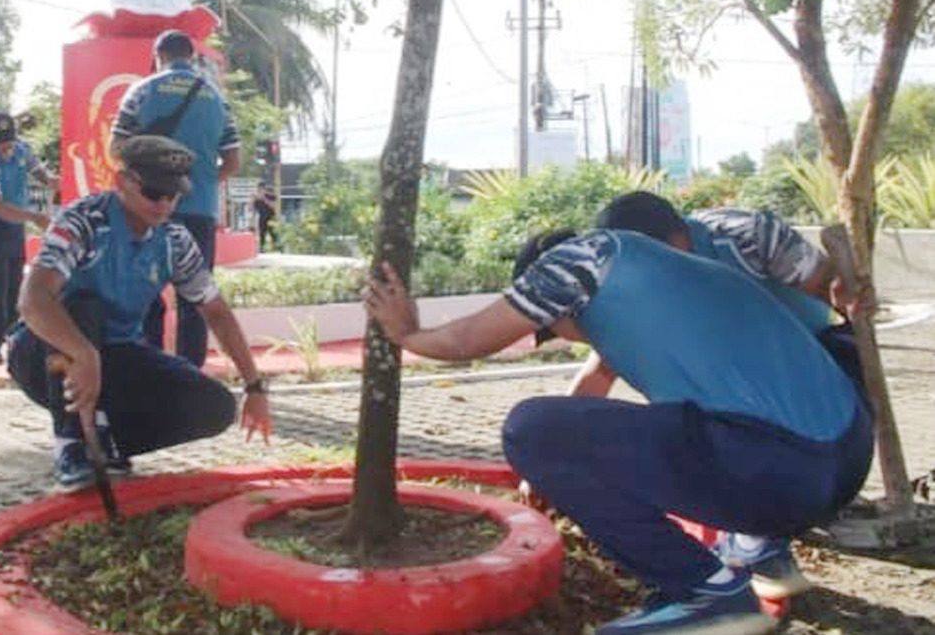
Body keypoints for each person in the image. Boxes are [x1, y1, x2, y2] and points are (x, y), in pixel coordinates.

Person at [365, 229, 872, 635]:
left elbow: (467, 340)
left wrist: (407, 334)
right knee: (699, 423)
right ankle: (760, 549)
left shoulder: (578, 261)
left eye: (549, 328)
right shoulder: (668, 275)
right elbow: (593, 389)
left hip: (778, 468)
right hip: (846, 459)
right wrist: (556, 472)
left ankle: (709, 594)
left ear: (551, 303)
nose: (567, 338)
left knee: (529, 428)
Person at [590, 191, 869, 601]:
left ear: (678, 237)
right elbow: (601, 367)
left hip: (818, 357)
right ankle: (767, 525)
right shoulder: (635, 282)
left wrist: (851, 303)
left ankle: (770, 524)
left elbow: (834, 291)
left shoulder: (748, 236)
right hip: (741, 384)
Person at [8, 135, 271, 491]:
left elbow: (217, 313)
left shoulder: (174, 240)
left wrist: (254, 385)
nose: (163, 204)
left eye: (173, 195)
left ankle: (108, 444)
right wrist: (84, 353)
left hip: (116, 358)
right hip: (44, 355)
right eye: (153, 193)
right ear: (122, 181)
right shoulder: (84, 221)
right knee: (83, 306)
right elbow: (33, 299)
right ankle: (73, 445)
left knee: (214, 406)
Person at [109, 29, 241, 367]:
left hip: (147, 209)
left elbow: (116, 149)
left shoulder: (141, 90)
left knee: (144, 294)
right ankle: (189, 375)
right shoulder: (217, 98)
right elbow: (233, 161)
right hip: (200, 210)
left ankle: (147, 369)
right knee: (196, 300)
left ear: (159, 56)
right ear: (191, 57)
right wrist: (201, 183)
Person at [0, 111, 57, 366]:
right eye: (1, 143)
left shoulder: (23, 149)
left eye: (10, 140)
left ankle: (14, 339)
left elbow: (39, 171)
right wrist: (33, 217)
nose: (7, 147)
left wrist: (53, 181)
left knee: (15, 281)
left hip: (15, 223)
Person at [252, 180, 279, 252]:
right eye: (258, 188)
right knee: (262, 233)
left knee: (273, 233)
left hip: (270, 217)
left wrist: (264, 198)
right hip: (262, 217)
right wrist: (252, 199)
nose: (260, 190)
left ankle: (277, 247)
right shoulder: (257, 198)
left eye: (261, 188)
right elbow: (252, 209)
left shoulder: (270, 195)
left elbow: (272, 205)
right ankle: (262, 248)